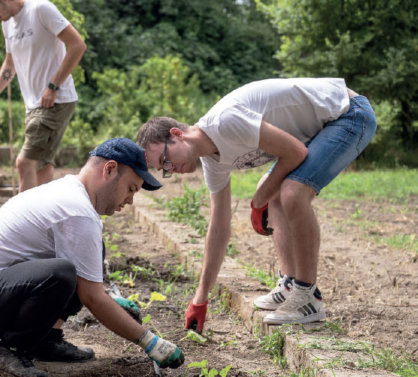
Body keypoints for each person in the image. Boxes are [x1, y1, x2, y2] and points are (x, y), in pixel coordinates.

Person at [136, 78, 377, 329]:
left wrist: (258, 200)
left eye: (165, 159)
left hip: (348, 113)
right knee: (274, 190)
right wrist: (200, 299)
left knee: (292, 193)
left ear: (177, 135)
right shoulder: (212, 163)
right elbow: (218, 228)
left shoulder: (225, 121)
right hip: (321, 128)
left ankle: (308, 297)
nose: (170, 169)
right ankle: (290, 284)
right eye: (163, 169)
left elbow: (296, 153)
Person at [0, 138, 185, 377]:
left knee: (89, 253)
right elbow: (92, 298)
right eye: (130, 189)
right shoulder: (76, 210)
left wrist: (104, 296)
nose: (130, 200)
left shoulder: (70, 191)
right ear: (110, 169)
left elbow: (89, 284)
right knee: (62, 273)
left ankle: (45, 340)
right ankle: (6, 350)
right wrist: (149, 341)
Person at [0, 0, 87, 192]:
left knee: (24, 163)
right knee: (42, 165)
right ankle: (46, 219)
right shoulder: (7, 23)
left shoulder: (40, 9)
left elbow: (78, 45)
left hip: (54, 100)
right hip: (33, 104)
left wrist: (53, 86)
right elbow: (10, 64)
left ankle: (24, 221)